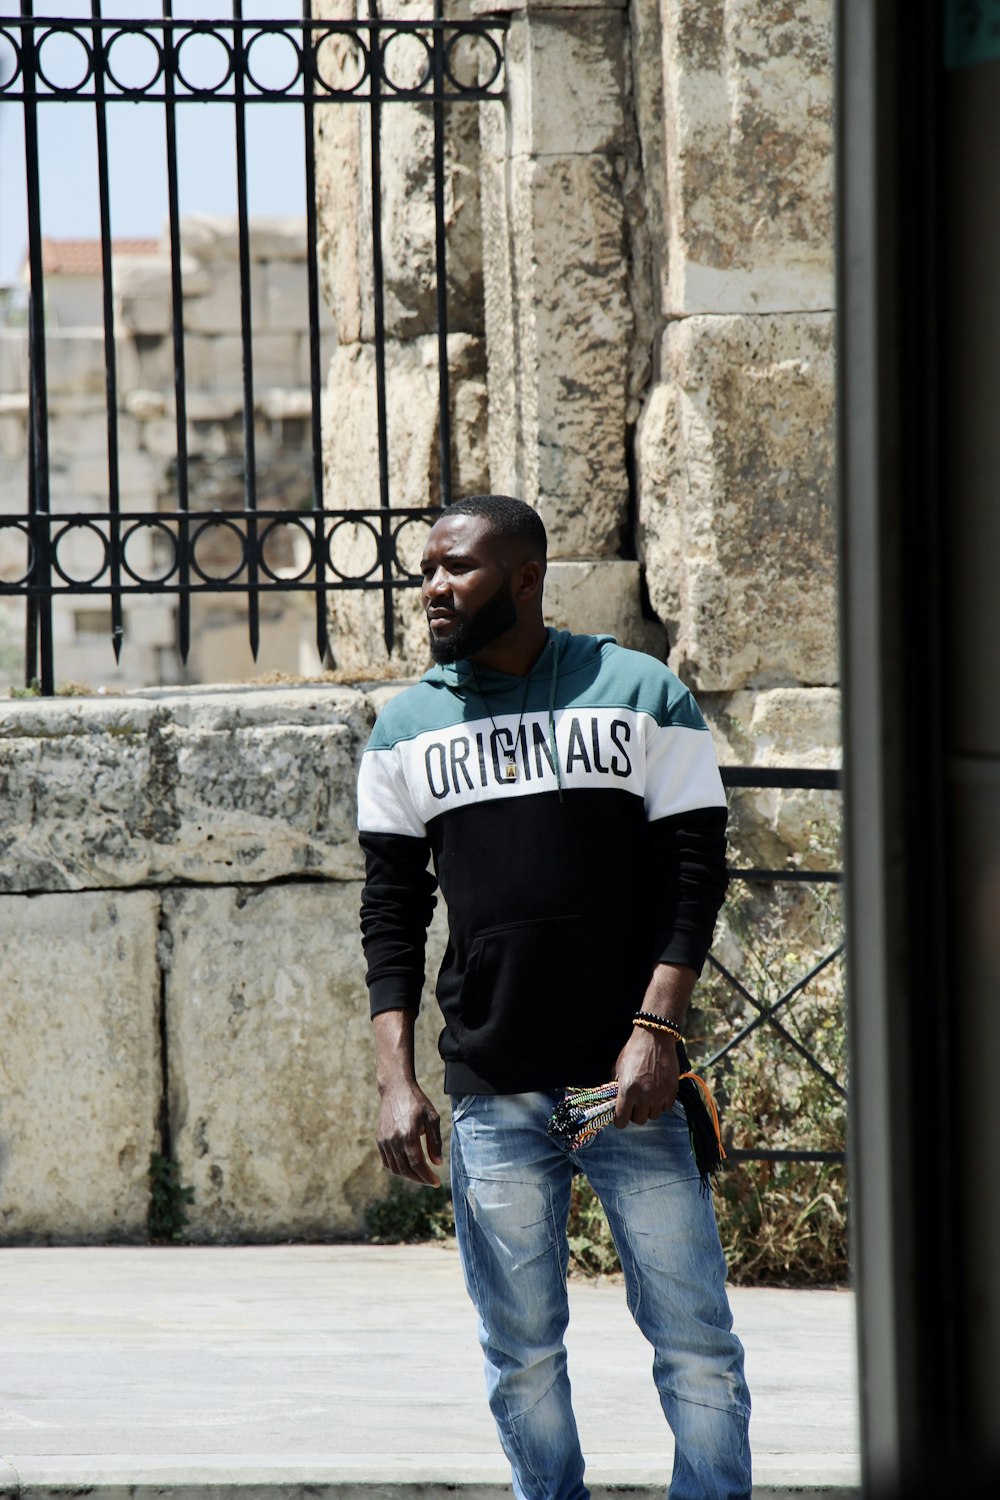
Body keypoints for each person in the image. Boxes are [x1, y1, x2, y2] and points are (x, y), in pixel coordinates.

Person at [357, 494, 751, 1500]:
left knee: (696, 1347)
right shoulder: (403, 730)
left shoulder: (638, 690)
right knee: (520, 1360)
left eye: (457, 569)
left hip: (630, 1087)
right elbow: (391, 917)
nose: (433, 588)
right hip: (492, 1089)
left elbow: (694, 873)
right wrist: (395, 1081)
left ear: (525, 576)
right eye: (428, 570)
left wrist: (656, 1029)